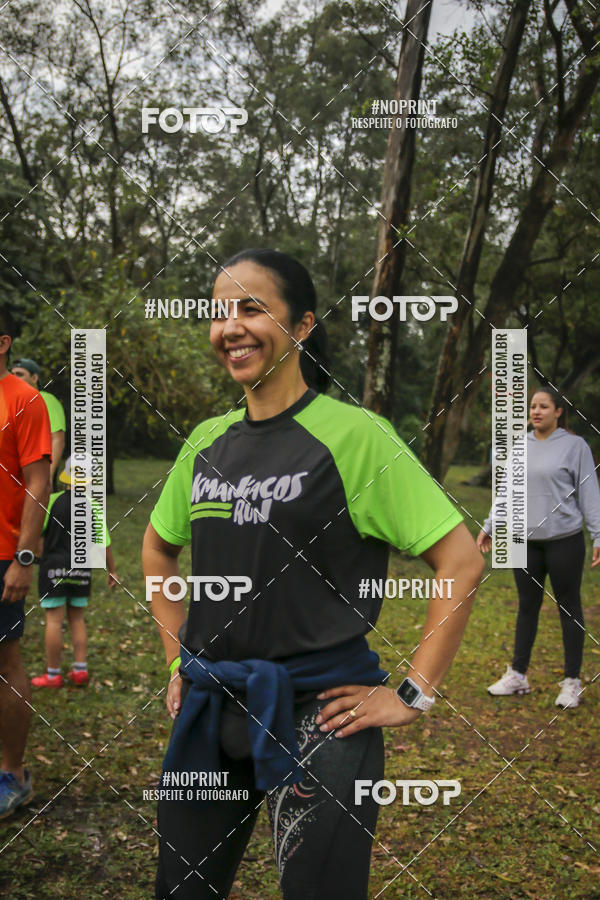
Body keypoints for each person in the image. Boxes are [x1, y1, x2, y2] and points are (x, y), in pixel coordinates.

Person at [142, 249, 484, 900]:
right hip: (212, 711)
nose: (230, 327)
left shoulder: (356, 436)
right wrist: (175, 660)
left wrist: (413, 694)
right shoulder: (206, 441)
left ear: (301, 325)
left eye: (251, 309)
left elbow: (461, 560)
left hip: (320, 719)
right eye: (219, 313)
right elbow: (157, 550)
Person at [477, 386, 600, 708]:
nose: (536, 411)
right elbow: (506, 491)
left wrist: (598, 535)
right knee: (527, 607)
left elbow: (589, 493)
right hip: (524, 541)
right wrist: (490, 525)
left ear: (558, 411)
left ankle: (571, 683)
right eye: (533, 406)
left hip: (564, 542)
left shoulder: (575, 446)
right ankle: (518, 675)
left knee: (569, 608)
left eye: (543, 406)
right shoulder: (520, 446)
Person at [0, 307, 52, 818]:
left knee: (5, 662)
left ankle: (12, 775)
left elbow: (39, 481)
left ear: (3, 343)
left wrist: (24, 556)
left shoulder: (23, 399)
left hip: (3, 554)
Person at [30, 456, 119, 688]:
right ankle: (80, 670)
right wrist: (112, 571)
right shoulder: (94, 506)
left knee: (54, 620)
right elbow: (104, 543)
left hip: (53, 568)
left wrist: (35, 557)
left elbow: (37, 533)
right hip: (81, 569)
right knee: (77, 618)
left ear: (66, 477)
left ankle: (53, 675)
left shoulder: (51, 501)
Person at [12, 357, 66, 482]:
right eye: (12, 374)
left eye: (19, 374)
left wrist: (48, 475)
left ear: (34, 378)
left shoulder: (47, 400)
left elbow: (57, 439)